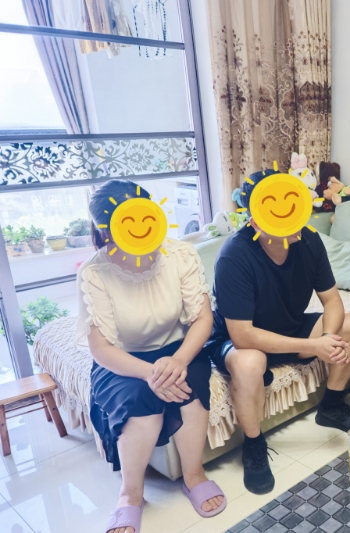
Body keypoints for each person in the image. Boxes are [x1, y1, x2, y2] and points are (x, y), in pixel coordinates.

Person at [205, 168, 350, 495]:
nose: (293, 221)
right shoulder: (235, 255)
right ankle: (253, 444)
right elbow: (242, 335)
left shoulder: (309, 240)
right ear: (255, 221)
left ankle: (331, 406)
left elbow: (332, 300)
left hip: (289, 327)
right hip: (237, 339)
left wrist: (327, 338)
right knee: (251, 362)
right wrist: (315, 347)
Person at [79, 180, 225, 533]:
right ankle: (130, 495)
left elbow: (202, 319)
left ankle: (193, 475)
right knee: (141, 402)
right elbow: (101, 348)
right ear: (106, 229)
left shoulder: (180, 255)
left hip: (179, 348)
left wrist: (179, 360)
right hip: (123, 358)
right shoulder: (94, 272)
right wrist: (150, 373)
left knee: (190, 390)